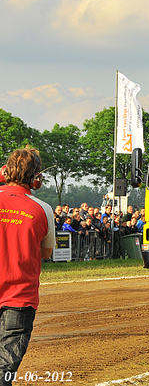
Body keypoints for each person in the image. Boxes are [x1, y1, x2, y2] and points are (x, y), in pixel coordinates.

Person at [0, 147, 55, 385]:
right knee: (4, 372)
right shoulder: (43, 209)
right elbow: (46, 252)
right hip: (20, 299)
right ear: (36, 179)